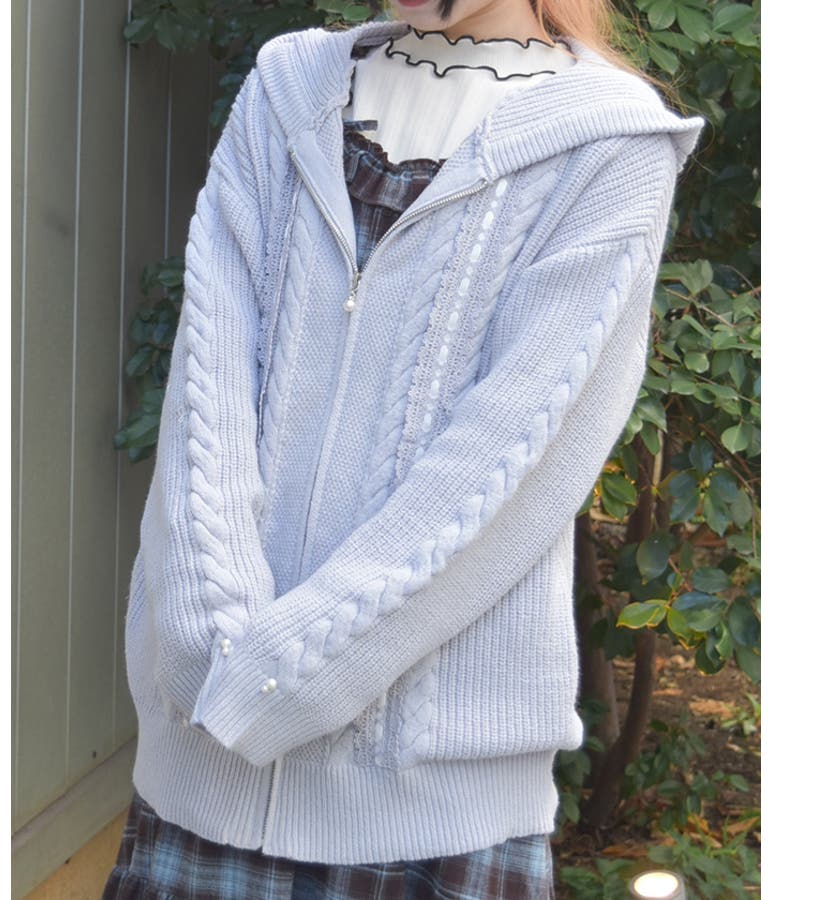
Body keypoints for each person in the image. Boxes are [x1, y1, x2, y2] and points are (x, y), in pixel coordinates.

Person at [102, 0, 705, 897]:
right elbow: (207, 384)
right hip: (202, 767)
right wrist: (211, 651)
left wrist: (277, 680)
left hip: (429, 812)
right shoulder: (287, 88)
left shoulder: (611, 146)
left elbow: (507, 471)